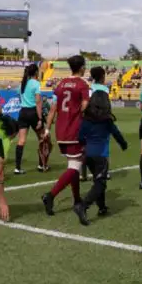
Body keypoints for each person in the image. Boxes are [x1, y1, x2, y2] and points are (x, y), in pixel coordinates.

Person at [41, 55, 90, 216]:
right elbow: (85, 105)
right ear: (81, 67)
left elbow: (53, 108)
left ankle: (76, 199)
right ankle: (50, 195)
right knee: (76, 166)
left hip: (60, 130)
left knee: (72, 166)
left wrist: (47, 130)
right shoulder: (82, 84)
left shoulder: (60, 84)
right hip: (75, 130)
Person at [73, 90, 127, 225]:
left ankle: (102, 208)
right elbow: (116, 133)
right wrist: (123, 144)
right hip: (101, 156)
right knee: (100, 183)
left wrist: (85, 145)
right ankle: (83, 206)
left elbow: (80, 137)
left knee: (98, 180)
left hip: (89, 156)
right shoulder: (107, 121)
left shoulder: (86, 120)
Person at [14, 63, 43, 174]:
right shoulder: (36, 83)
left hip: (23, 112)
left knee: (21, 140)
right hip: (33, 112)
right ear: (36, 72)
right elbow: (38, 102)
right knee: (41, 139)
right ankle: (41, 165)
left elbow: (19, 96)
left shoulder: (23, 83)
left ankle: (17, 168)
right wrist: (40, 118)